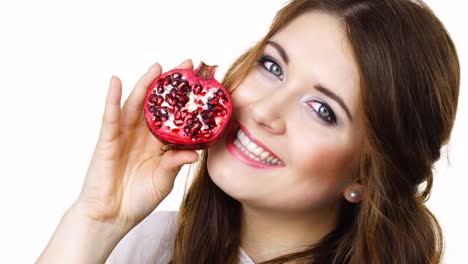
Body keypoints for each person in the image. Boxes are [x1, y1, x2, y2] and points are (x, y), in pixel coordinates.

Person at [37, 0, 460, 263]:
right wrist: (97, 219)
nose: (262, 110)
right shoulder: (150, 246)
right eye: (272, 66)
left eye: (322, 109)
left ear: (366, 176)